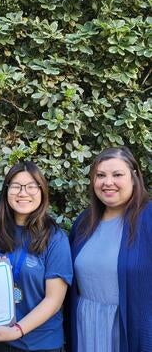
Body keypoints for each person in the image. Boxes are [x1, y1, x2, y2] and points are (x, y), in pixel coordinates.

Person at [0, 161, 73, 352]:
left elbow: (54, 301)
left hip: (40, 344)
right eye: (16, 186)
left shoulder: (55, 238)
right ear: (6, 192)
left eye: (31, 186)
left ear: (42, 192)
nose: (23, 193)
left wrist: (17, 330)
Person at [65, 146, 151, 352]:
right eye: (100, 175)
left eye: (117, 174)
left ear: (134, 177)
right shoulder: (84, 222)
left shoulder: (148, 218)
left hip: (130, 331)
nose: (108, 182)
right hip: (85, 327)